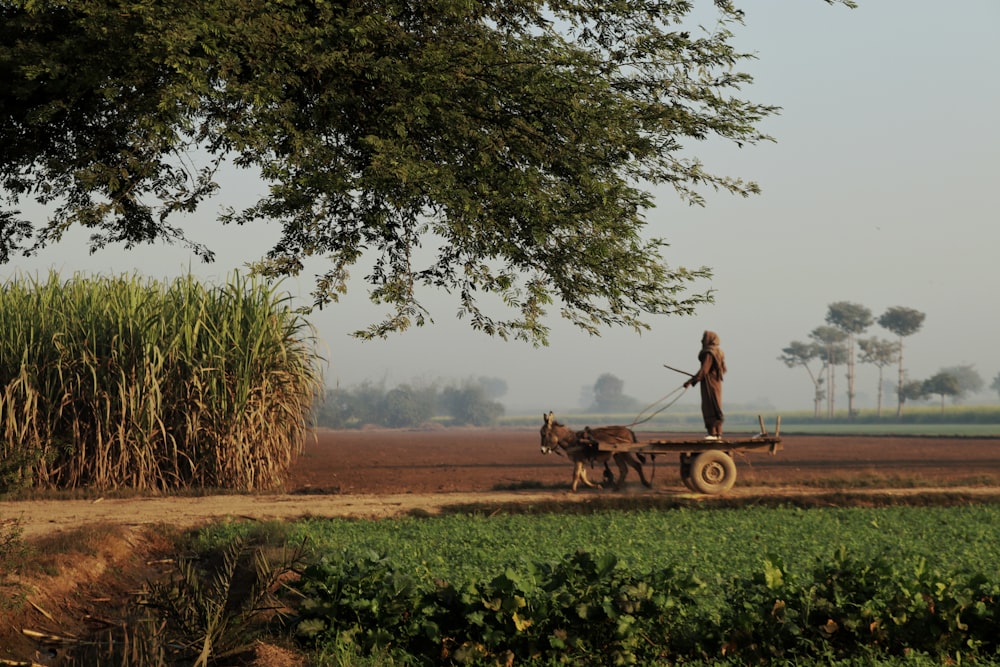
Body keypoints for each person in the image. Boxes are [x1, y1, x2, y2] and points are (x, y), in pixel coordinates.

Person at [683, 330, 726, 440]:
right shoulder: (718, 352)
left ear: (710, 339)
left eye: (704, 338)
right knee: (716, 406)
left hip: (709, 384)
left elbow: (704, 371)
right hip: (715, 383)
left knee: (710, 406)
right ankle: (718, 434)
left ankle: (713, 433)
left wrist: (691, 381)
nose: (702, 341)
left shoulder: (709, 353)